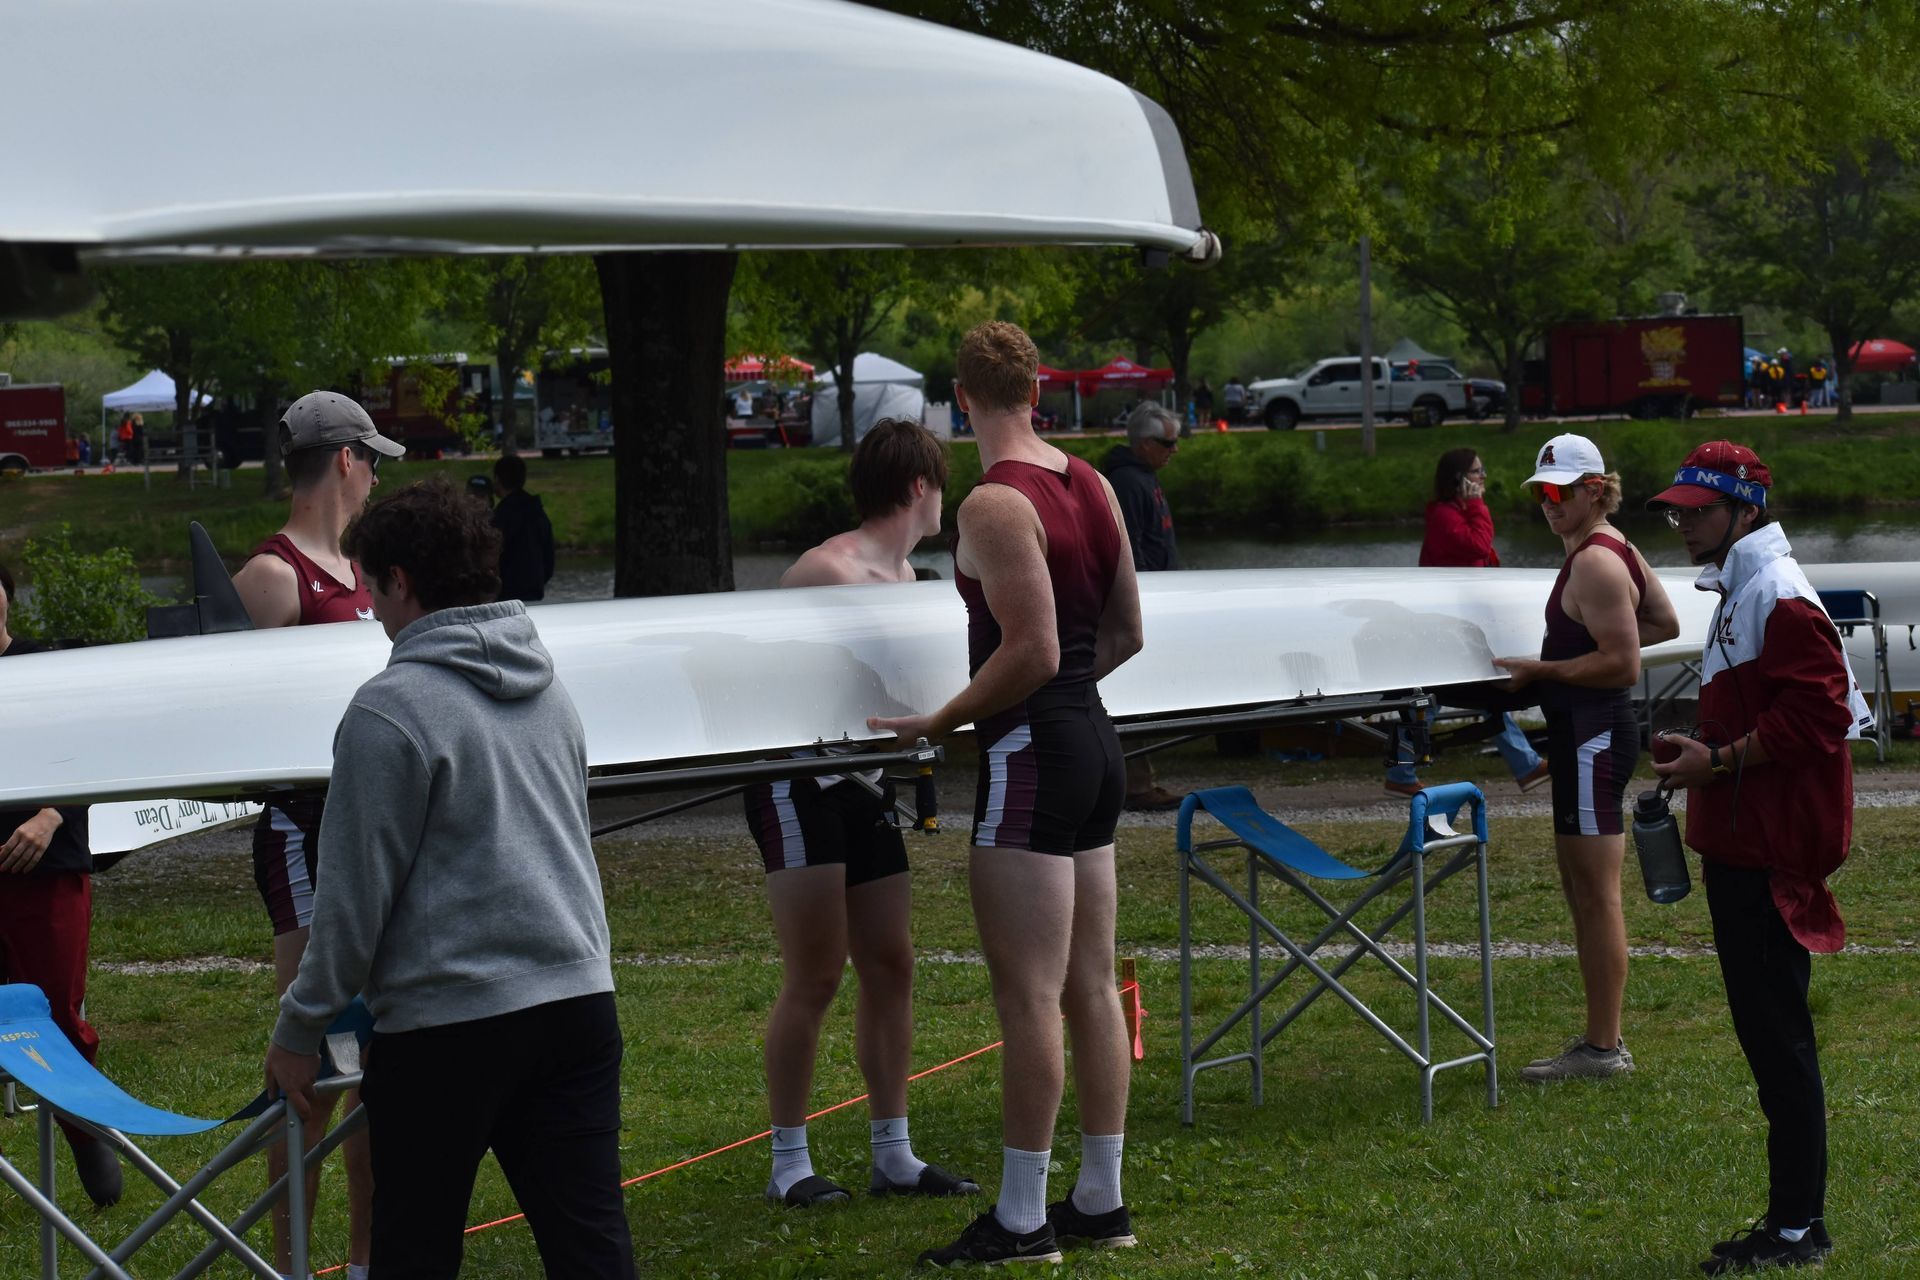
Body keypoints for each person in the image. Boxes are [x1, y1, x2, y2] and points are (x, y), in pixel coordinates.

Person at [264, 477, 634, 1280]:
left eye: (372, 584)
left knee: (414, 1254)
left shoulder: (388, 709)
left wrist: (299, 1033)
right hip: (577, 1004)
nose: (368, 604)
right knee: (592, 1251)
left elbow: (351, 908)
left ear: (402, 582)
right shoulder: (552, 690)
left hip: (449, 1026)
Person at [870, 321, 1143, 1266]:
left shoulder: (993, 502)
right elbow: (1125, 633)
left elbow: (1025, 648)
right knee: (1090, 983)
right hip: (1093, 738)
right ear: (1038, 392)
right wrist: (1069, 693)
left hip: (1031, 750)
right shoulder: (1092, 482)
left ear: (959, 399)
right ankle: (1099, 1200)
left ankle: (1024, 1219)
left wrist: (936, 723)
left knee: (1028, 996)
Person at [745, 418, 978, 1210]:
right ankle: (788, 1165)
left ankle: (894, 1154)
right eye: (941, 483)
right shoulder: (826, 572)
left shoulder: (909, 579)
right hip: (800, 782)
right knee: (814, 974)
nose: (943, 498)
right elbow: (776, 685)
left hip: (865, 785)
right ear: (919, 487)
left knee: (891, 963)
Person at [1646, 442, 1867, 1275]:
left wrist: (1723, 760)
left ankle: (1796, 1229)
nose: (1680, 524)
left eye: (1695, 511)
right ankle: (1792, 1220)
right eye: (1675, 510)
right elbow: (1764, 705)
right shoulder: (1744, 585)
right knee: (1768, 1039)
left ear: (1745, 509)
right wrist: (1703, 743)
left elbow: (1822, 714)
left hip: (1769, 851)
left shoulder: (1776, 593)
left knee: (1780, 1043)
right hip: (1744, 841)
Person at [229, 391, 401, 1280]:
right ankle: (290, 1263)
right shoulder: (272, 578)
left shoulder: (371, 571)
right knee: (313, 1067)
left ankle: (366, 1262)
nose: (377, 477)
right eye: (373, 460)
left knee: (376, 1068)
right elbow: (243, 731)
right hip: (302, 836)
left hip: (372, 831)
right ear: (343, 460)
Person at [1492, 433, 1678, 1082]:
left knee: (1596, 898)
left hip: (1595, 736)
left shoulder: (1597, 562)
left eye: (1559, 492)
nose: (1547, 503)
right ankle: (1602, 1041)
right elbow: (1664, 623)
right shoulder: (1613, 548)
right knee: (1584, 893)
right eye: (1541, 492)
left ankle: (1603, 1049)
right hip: (1587, 737)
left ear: (1594, 490)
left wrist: (1542, 670)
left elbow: (1624, 660)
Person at [0, 562, 122, 1208]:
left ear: (7, 598)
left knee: (55, 1013)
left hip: (44, 870)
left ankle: (84, 1132)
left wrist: (48, 817)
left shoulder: (46, 669)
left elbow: (91, 756)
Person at [1388, 449, 1550, 798]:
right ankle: (1400, 775)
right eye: (1477, 472)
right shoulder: (1446, 516)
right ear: (1459, 479)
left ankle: (1526, 765)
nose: (1483, 477)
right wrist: (1478, 506)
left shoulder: (1453, 513)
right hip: (1444, 626)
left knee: (1477, 691)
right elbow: (1479, 544)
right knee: (1432, 699)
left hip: (1460, 624)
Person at [1103, 402, 1183, 811]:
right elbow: (1127, 551)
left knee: (1141, 696)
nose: (1175, 449)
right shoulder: (1129, 483)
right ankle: (1135, 785)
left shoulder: (1143, 477)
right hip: (1139, 601)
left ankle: (1136, 780)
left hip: (1155, 596)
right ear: (1144, 443)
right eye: (1167, 442)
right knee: (1132, 697)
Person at [491, 453, 556, 603]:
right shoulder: (538, 513)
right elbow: (549, 559)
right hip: (534, 592)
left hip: (506, 597)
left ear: (498, 479)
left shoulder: (499, 518)